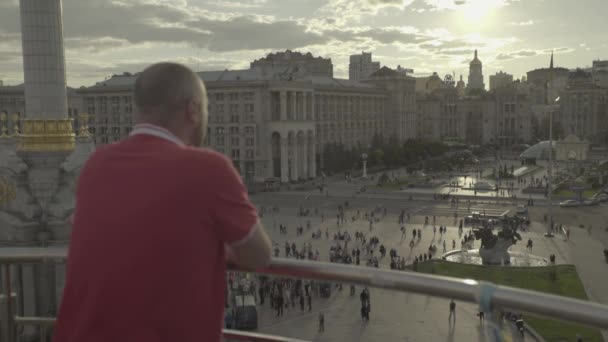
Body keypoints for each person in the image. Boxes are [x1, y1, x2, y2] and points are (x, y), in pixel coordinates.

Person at [53, 63, 272, 342]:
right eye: (206, 109)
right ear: (193, 109)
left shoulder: (96, 163)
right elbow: (260, 256)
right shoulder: (208, 168)